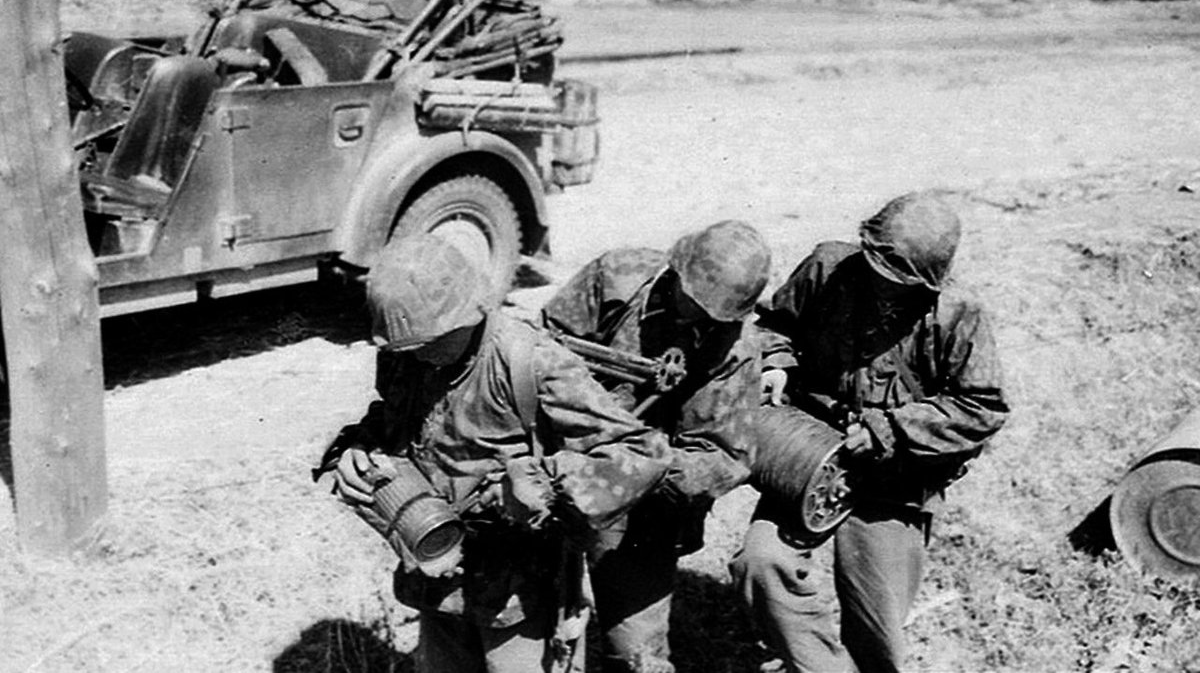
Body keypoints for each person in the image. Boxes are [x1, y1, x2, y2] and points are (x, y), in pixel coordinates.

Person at [316, 234, 670, 673]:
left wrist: (543, 482)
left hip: (520, 592)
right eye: (403, 349)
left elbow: (642, 451)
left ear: (468, 317)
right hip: (438, 577)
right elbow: (396, 421)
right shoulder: (407, 352)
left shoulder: (530, 361)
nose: (416, 357)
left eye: (428, 344)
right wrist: (357, 448)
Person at [731, 191, 1010, 673]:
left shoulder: (958, 314)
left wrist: (888, 430)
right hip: (811, 455)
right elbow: (776, 326)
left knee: (876, 618)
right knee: (761, 562)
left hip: (895, 476)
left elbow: (981, 408)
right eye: (875, 266)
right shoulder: (827, 267)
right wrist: (775, 362)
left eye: (898, 281)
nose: (882, 285)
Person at [541, 220, 772, 673]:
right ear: (676, 268)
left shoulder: (736, 351)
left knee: (637, 657)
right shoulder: (617, 278)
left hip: (643, 507)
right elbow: (542, 346)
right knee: (537, 637)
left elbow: (726, 459)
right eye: (690, 298)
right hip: (553, 467)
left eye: (713, 315)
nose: (694, 318)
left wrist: (638, 468)